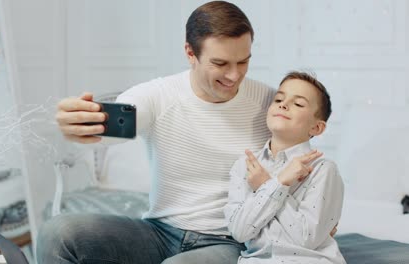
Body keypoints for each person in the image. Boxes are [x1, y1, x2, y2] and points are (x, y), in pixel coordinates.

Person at [38, 1, 287, 263]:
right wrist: (81, 124)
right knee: (58, 233)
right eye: (220, 63)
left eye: (243, 62)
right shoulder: (159, 95)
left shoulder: (269, 103)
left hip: (230, 241)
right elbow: (117, 126)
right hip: (159, 232)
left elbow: (299, 163)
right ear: (190, 53)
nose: (234, 75)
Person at [225, 71, 346, 264]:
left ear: (316, 128)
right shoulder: (245, 165)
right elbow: (240, 232)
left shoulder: (323, 170)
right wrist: (279, 183)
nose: (283, 104)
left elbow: (306, 238)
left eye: (298, 104)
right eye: (279, 99)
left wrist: (266, 184)